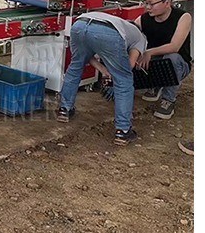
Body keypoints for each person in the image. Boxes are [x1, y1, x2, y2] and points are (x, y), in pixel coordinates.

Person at [57, 10, 147, 145]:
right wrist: (116, 73)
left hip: (79, 25)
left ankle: (64, 110)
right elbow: (129, 65)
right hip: (107, 32)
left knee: (76, 66)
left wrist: (104, 70)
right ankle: (123, 130)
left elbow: (87, 56)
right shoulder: (140, 37)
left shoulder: (120, 24)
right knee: (124, 80)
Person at [134, 0, 192, 121]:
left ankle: (168, 100)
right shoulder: (143, 19)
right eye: (146, 3)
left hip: (178, 65)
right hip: (153, 64)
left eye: (152, 4)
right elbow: (131, 37)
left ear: (167, 3)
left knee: (171, 57)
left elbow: (175, 46)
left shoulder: (183, 17)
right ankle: (156, 84)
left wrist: (148, 52)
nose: (147, 7)